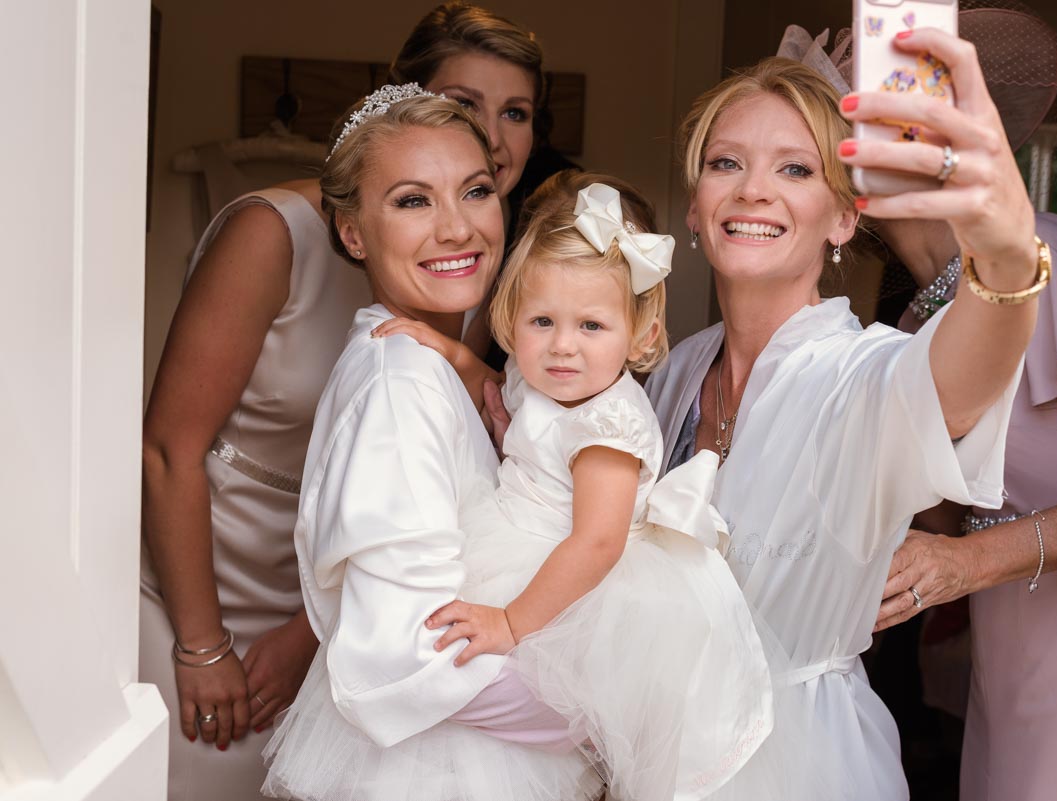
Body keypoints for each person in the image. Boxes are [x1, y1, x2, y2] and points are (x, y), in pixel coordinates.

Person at [139, 5, 545, 800]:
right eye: (465, 106)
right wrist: (199, 645)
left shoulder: (469, 258)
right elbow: (167, 449)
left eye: (517, 113)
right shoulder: (276, 233)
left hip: (347, 603)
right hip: (210, 573)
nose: (495, 139)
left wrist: (311, 632)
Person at [642, 34, 1045, 798]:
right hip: (656, 757)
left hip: (802, 768)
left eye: (795, 169)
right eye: (727, 162)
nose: (753, 190)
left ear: (842, 217)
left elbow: (957, 378)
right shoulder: (674, 373)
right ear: (695, 206)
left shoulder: (858, 376)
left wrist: (1006, 252)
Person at [371, 170, 773, 801]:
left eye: (591, 326)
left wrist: (511, 620)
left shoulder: (607, 423)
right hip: (517, 536)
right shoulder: (547, 378)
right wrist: (446, 352)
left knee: (517, 735)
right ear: (511, 319)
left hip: (573, 585)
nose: (562, 347)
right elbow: (499, 387)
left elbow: (596, 543)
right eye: (541, 322)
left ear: (638, 334)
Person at [853, 7, 1057, 799]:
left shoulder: (1045, 260)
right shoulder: (911, 320)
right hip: (1005, 637)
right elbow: (943, 516)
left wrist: (966, 561)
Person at [260, 87, 602, 801]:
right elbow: (404, 654)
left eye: (475, 190)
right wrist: (596, 714)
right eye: (413, 200)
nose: (457, 228)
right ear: (353, 232)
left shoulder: (430, 363)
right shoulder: (402, 381)